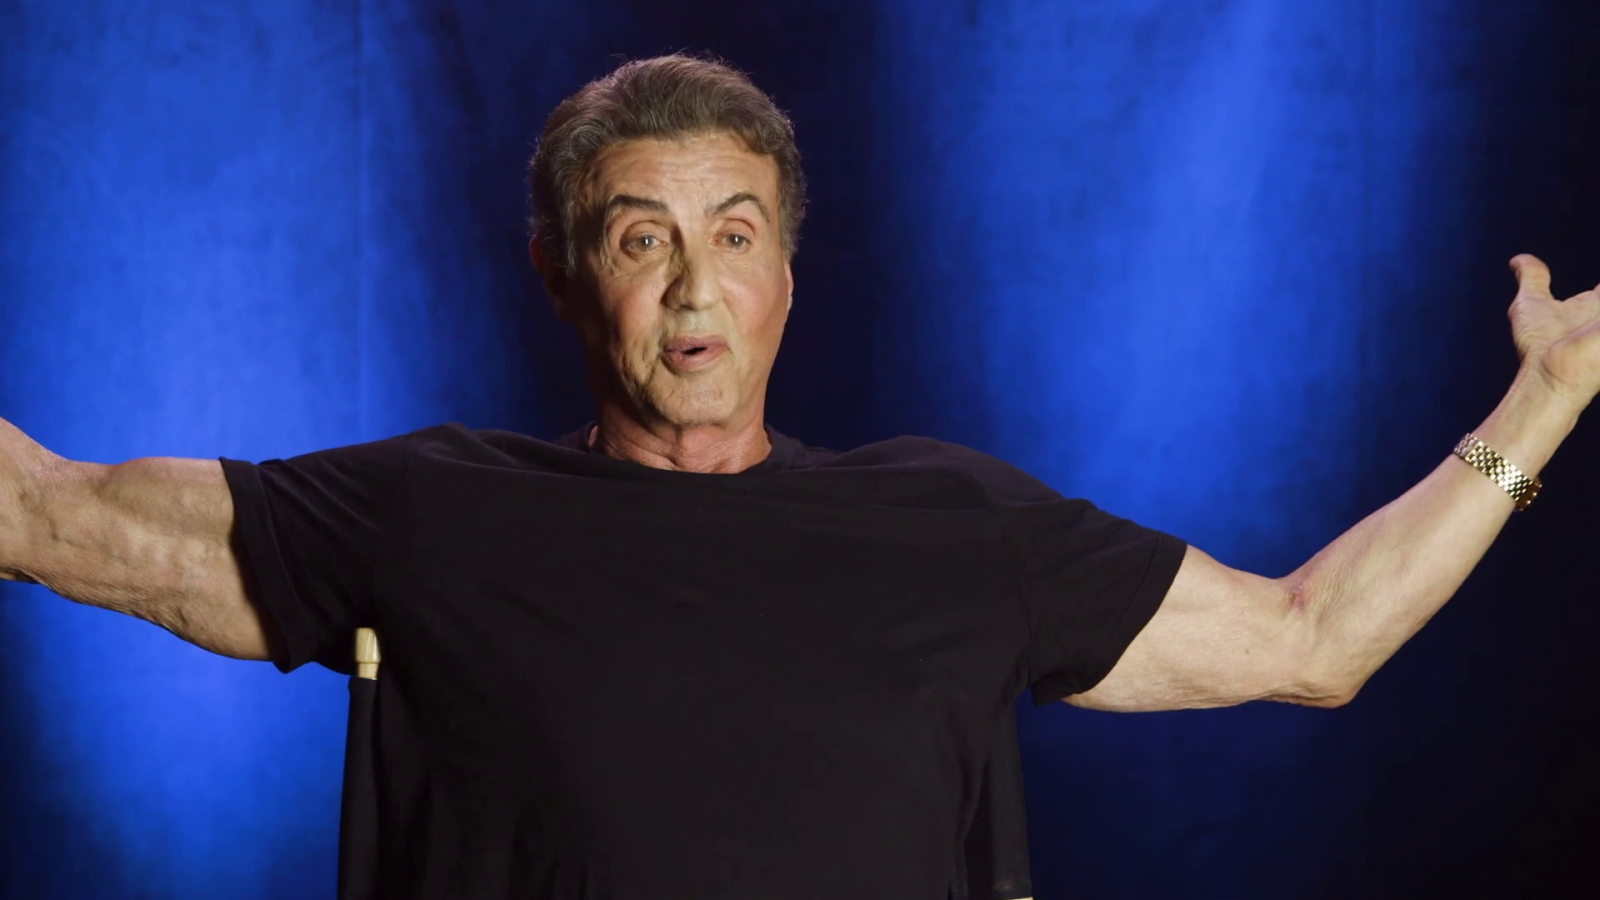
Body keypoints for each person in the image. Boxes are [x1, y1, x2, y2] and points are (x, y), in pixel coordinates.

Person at [0, 52, 1594, 899]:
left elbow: (1317, 638)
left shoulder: (952, 528)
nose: (693, 286)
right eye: (642, 239)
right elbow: (45, 513)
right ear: (564, 275)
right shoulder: (429, 514)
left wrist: (1553, 392)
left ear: (786, 275)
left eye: (735, 234)